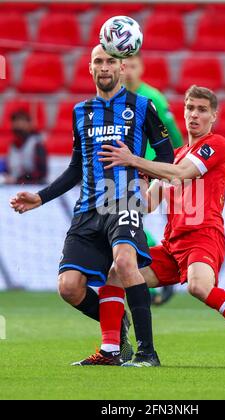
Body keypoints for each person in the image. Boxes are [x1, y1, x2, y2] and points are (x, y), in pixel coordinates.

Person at [98, 85, 225, 368]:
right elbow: (148, 204)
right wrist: (129, 179)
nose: (194, 115)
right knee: (117, 272)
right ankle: (110, 350)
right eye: (190, 108)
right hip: (172, 246)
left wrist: (136, 160)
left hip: (203, 236)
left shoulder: (216, 145)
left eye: (202, 110)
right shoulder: (174, 155)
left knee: (199, 286)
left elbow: (183, 173)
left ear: (214, 116)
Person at [9, 44, 174, 367]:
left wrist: (141, 170)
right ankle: (114, 342)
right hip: (88, 209)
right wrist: (40, 197)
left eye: (111, 61)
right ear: (90, 68)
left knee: (124, 263)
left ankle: (147, 353)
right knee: (69, 287)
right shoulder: (80, 111)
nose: (105, 67)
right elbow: (75, 168)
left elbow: (168, 157)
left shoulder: (143, 106)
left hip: (124, 200)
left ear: (122, 67)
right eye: (98, 61)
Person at [124, 53, 184, 305]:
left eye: (133, 66)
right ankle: (154, 281)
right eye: (124, 66)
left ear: (142, 68)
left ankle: (159, 274)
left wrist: (180, 161)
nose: (128, 71)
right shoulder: (114, 99)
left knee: (130, 220)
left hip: (148, 169)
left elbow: (172, 132)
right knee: (129, 221)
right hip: (124, 169)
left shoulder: (153, 97)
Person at [0, 110, 47, 185]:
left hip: (33, 187)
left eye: (21, 121)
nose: (18, 125)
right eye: (15, 122)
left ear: (29, 124)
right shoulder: (12, 146)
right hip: (13, 187)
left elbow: (41, 173)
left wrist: (18, 179)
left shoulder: (37, 144)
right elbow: (10, 170)